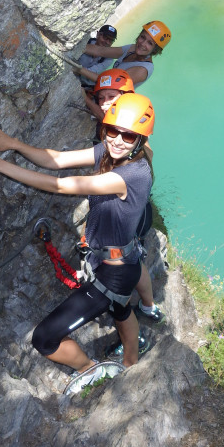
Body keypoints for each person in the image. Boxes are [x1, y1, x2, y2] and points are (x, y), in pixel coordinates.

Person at [0, 93, 155, 394]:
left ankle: (89, 368)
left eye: (128, 135)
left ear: (140, 138)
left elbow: (60, 185)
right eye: (112, 131)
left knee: (44, 339)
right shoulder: (113, 153)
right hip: (118, 263)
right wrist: (13, 143)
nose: (118, 140)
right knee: (120, 307)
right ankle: (131, 362)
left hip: (115, 273)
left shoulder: (129, 175)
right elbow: (56, 160)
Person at [84, 69, 165, 329]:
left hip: (133, 212)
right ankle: (147, 306)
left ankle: (135, 308)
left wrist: (84, 97)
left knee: (131, 260)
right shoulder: (129, 131)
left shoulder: (133, 136)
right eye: (101, 98)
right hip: (135, 206)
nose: (105, 104)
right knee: (134, 260)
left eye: (112, 97)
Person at [76, 20, 172, 88]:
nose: (143, 44)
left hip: (109, 100)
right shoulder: (132, 48)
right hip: (103, 91)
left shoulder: (142, 70)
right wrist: (75, 49)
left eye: (150, 43)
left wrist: (78, 69)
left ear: (155, 50)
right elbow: (101, 51)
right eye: (143, 37)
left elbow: (110, 83)